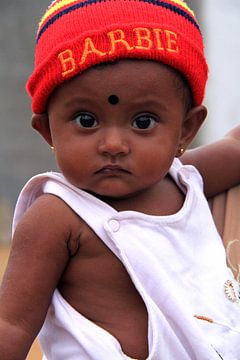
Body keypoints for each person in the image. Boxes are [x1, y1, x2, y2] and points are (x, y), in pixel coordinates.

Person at [0, 0, 240, 359]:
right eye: (86, 120)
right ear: (47, 129)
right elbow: (11, 326)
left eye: (143, 122)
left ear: (186, 129)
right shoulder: (58, 217)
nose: (113, 145)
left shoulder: (184, 181)